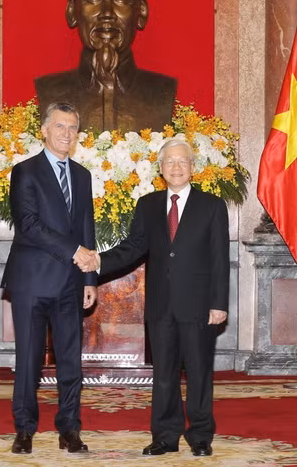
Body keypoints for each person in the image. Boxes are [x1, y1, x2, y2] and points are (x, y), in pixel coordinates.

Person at [76, 138, 229, 457]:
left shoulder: (212, 206)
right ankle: (165, 436)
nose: (176, 167)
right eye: (169, 161)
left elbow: (219, 258)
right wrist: (99, 261)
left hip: (200, 305)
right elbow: (133, 248)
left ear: (192, 167)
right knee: (164, 375)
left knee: (199, 372)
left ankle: (200, 435)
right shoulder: (147, 205)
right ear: (160, 168)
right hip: (160, 306)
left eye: (182, 161)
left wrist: (219, 304)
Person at [1, 102, 99, 454]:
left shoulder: (83, 175)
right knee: (28, 360)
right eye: (60, 126)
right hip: (31, 281)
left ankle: (69, 429)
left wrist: (90, 279)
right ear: (44, 130)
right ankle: (24, 429)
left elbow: (86, 227)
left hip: (71, 283)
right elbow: (28, 225)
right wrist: (74, 251)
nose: (66, 133)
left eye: (72, 127)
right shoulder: (25, 171)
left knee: (71, 361)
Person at [35, 0, 177, 132]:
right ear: (72, 11)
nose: (107, 13)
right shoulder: (49, 90)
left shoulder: (162, 92)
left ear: (141, 12)